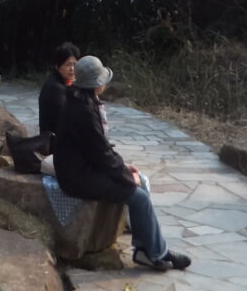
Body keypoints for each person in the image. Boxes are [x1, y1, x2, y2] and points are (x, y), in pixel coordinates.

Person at [52, 55, 191, 272]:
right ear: (97, 84)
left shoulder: (80, 100)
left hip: (85, 168)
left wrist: (124, 168)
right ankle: (158, 254)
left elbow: (100, 151)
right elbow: (102, 155)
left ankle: (145, 250)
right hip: (78, 177)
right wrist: (126, 175)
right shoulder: (83, 111)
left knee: (141, 184)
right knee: (140, 197)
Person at [38, 41, 81, 135]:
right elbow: (67, 120)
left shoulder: (66, 83)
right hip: (55, 142)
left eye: (75, 64)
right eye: (68, 65)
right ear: (57, 66)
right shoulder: (54, 88)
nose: (72, 69)